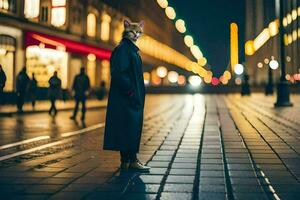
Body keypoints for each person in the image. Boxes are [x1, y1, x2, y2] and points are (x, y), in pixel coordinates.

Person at [103, 20, 150, 172]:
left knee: (129, 128)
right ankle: (131, 160)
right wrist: (130, 92)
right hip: (127, 97)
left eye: (138, 33)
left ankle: (127, 161)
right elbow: (119, 73)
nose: (136, 35)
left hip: (129, 97)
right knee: (129, 127)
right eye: (133, 32)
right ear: (126, 31)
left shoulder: (130, 49)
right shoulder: (124, 49)